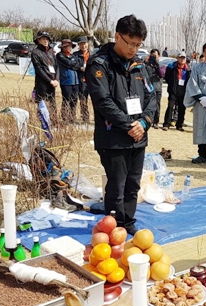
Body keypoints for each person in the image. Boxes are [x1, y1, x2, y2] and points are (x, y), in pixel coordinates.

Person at [86, 14, 157, 235]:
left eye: (138, 45)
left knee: (133, 185)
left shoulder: (140, 66)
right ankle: (114, 227)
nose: (134, 49)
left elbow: (152, 98)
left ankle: (128, 223)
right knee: (116, 186)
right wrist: (129, 125)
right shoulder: (100, 63)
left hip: (138, 138)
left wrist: (143, 123)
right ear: (117, 36)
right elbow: (103, 101)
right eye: (130, 43)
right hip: (113, 138)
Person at [31, 31, 59, 123]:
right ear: (38, 40)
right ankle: (44, 122)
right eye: (43, 38)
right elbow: (38, 69)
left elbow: (57, 66)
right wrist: (50, 80)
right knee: (42, 103)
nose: (46, 40)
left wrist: (57, 79)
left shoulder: (51, 51)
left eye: (47, 39)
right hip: (42, 82)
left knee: (52, 103)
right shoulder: (35, 52)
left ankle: (54, 121)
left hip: (53, 81)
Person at [163, 52, 190, 131]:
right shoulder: (172, 67)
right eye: (180, 58)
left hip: (183, 91)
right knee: (170, 107)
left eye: (183, 58)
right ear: (178, 58)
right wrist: (171, 84)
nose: (182, 59)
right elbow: (167, 77)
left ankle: (179, 125)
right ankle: (166, 124)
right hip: (173, 90)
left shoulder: (188, 69)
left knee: (182, 108)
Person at [56, 39, 80, 123]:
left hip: (75, 81)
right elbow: (68, 63)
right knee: (66, 99)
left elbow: (77, 65)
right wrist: (72, 64)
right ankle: (65, 117)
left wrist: (71, 64)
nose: (70, 48)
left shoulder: (73, 56)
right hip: (66, 81)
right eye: (67, 46)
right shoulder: (60, 55)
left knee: (74, 99)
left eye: (70, 46)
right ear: (63, 47)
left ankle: (72, 117)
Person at [144, 48, 164, 129]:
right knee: (146, 105)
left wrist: (156, 64)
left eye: (155, 56)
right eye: (152, 56)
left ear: (159, 56)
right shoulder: (147, 65)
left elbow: (161, 74)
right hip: (148, 89)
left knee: (157, 106)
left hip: (157, 88)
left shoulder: (161, 66)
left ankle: (156, 122)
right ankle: (148, 120)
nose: (153, 57)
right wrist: (146, 62)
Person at [73, 36, 91, 122]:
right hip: (82, 80)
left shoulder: (93, 55)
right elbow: (73, 65)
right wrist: (80, 68)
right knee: (83, 99)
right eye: (81, 44)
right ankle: (85, 117)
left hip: (92, 80)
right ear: (79, 45)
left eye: (85, 44)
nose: (83, 46)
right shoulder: (76, 55)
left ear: (88, 44)